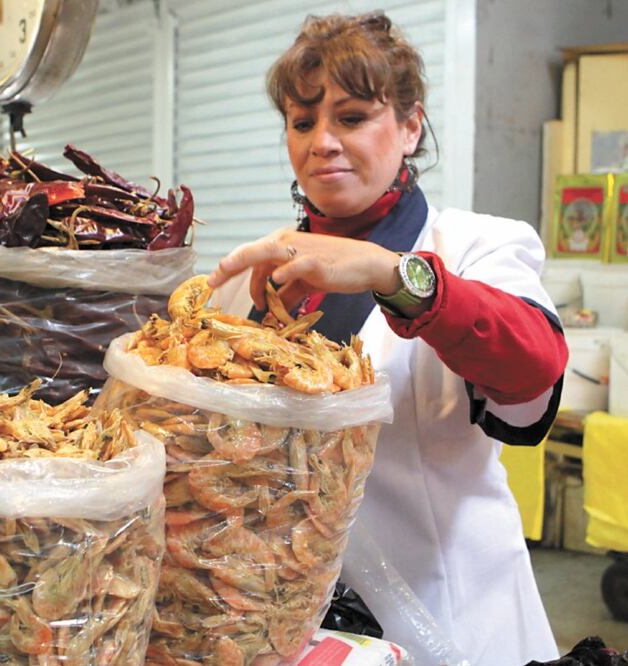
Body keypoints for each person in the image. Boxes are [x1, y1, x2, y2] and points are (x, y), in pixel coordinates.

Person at [207, 13, 566, 665]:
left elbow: (533, 365)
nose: (323, 142)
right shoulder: (251, 278)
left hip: (450, 620)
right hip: (291, 629)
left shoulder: (473, 246)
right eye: (302, 120)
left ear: (409, 125)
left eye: (350, 117)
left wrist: (391, 273)